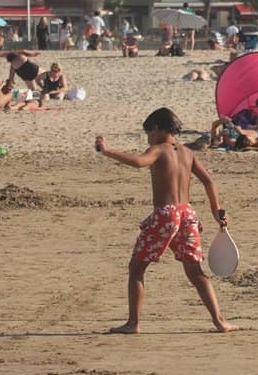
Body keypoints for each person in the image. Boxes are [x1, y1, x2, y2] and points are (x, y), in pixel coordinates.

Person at [94, 107, 236, 334]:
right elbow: (209, 181)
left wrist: (108, 151)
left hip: (165, 215)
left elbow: (140, 162)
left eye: (149, 133)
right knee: (194, 270)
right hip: (187, 214)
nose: (148, 138)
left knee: (137, 267)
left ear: (158, 128)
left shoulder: (158, 150)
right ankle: (220, 321)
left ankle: (133, 323)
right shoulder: (188, 153)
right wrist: (215, 209)